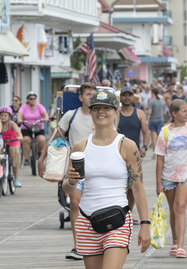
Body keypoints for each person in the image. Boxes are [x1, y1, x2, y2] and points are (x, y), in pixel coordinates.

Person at [62, 89, 151, 268]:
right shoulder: (80, 146)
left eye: (106, 108)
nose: (101, 112)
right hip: (87, 222)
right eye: (96, 108)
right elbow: (68, 188)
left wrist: (145, 224)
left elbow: (138, 187)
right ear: (90, 112)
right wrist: (70, 181)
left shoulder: (126, 145)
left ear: (116, 112)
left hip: (117, 219)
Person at [39, 83, 97, 261]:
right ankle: (78, 246)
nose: (90, 97)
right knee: (74, 204)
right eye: (87, 94)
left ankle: (96, 242)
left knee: (96, 206)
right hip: (76, 167)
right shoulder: (71, 116)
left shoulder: (101, 116)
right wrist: (42, 158)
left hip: (98, 167)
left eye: (93, 94)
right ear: (81, 97)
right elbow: (55, 136)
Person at [155, 99, 187, 258]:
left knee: (180, 206)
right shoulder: (164, 132)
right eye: (183, 111)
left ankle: (181, 246)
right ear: (174, 114)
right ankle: (175, 241)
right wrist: (158, 183)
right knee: (173, 209)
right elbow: (160, 159)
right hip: (169, 175)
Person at [118, 86, 150, 217]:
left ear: (133, 97)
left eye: (129, 95)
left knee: (133, 187)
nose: (127, 98)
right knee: (121, 187)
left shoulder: (139, 113)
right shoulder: (116, 113)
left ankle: (128, 214)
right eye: (124, 95)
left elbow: (146, 132)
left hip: (134, 155)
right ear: (120, 98)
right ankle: (120, 212)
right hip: (118, 154)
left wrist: (145, 147)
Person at [18, 91, 49, 167]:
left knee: (41, 139)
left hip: (38, 127)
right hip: (26, 127)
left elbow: (46, 116)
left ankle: (38, 152)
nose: (33, 100)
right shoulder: (24, 107)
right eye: (31, 99)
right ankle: (26, 159)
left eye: (34, 99)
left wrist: (45, 119)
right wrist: (20, 120)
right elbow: (19, 117)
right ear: (28, 100)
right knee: (26, 140)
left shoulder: (40, 106)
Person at [0, 106, 23, 187]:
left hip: (13, 142)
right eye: (1, 115)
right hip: (2, 142)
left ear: (9, 117)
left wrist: (17, 138)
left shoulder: (12, 124)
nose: (3, 117)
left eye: (5, 115)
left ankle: (16, 178)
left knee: (14, 155)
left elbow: (20, 136)